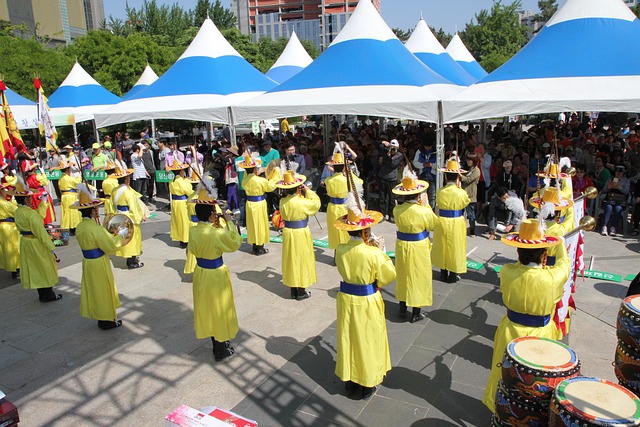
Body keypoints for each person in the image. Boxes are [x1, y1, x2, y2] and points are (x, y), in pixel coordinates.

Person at [483, 219, 570, 413]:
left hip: (510, 331)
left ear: (518, 251)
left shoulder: (507, 272)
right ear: (544, 253)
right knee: (538, 380)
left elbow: (519, 268)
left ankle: (500, 408)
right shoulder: (553, 277)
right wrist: (560, 244)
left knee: (504, 373)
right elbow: (564, 264)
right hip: (541, 335)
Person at [334, 194, 396, 399]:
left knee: (349, 337)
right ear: (365, 231)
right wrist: (381, 252)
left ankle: (350, 380)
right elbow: (388, 276)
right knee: (368, 339)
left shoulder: (340, 250)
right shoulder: (373, 253)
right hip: (367, 300)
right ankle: (367, 381)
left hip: (346, 298)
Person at [188, 173, 242, 361]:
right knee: (219, 308)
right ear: (212, 215)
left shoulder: (193, 231)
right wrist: (229, 222)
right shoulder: (216, 234)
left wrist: (216, 225)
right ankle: (220, 347)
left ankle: (217, 341)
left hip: (201, 272)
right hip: (215, 274)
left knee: (208, 308)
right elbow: (235, 242)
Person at [71, 183, 128, 330]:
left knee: (94, 290)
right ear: (92, 210)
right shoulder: (95, 228)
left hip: (88, 262)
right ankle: (106, 320)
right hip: (98, 263)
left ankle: (100, 316)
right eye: (96, 208)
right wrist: (120, 235)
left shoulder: (80, 227)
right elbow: (111, 245)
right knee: (102, 290)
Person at [392, 166, 437, 323]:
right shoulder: (423, 211)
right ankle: (416, 312)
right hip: (418, 246)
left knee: (403, 274)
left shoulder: (397, 210)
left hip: (401, 244)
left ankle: (402, 307)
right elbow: (432, 224)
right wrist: (426, 205)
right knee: (418, 276)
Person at [10, 177, 61, 302]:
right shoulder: (30, 213)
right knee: (44, 267)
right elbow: (40, 231)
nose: (31, 199)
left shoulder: (18, 211)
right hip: (36, 242)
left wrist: (43, 203)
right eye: (29, 197)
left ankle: (42, 293)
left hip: (26, 242)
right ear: (26, 199)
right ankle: (48, 294)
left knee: (35, 268)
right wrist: (51, 248)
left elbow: (37, 217)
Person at [277, 170, 320, 300]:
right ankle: (301, 291)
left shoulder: (283, 201)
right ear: (297, 188)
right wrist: (308, 191)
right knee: (302, 259)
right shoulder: (301, 202)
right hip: (300, 232)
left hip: (288, 231)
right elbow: (316, 204)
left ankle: (293, 289)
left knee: (291, 259)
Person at [432, 159, 470, 283]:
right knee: (455, 247)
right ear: (458, 177)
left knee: (442, 246)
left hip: (442, 220)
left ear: (446, 177)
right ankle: (453, 274)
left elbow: (438, 202)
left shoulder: (440, 191)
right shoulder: (461, 192)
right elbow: (465, 202)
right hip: (456, 221)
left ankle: (443, 272)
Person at [324, 150, 363, 252]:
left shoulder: (329, 180)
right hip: (345, 206)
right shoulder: (347, 179)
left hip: (332, 207)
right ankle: (346, 251)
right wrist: (350, 173)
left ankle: (336, 252)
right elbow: (359, 182)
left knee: (334, 230)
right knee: (345, 229)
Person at [109, 162, 145, 269]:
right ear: (126, 179)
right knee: (132, 238)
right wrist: (138, 218)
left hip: (119, 215)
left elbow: (111, 206)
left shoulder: (114, 191)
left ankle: (129, 258)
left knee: (123, 237)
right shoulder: (128, 193)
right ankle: (131, 261)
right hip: (128, 216)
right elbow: (134, 207)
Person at [241, 155, 277, 255]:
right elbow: (270, 187)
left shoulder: (244, 180)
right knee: (260, 224)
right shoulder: (260, 180)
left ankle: (254, 245)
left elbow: (246, 177)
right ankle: (260, 247)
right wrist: (276, 175)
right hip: (259, 204)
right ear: (254, 169)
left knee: (252, 224)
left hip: (249, 204)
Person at [168, 161, 194, 248]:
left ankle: (180, 239)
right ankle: (185, 239)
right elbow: (190, 192)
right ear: (181, 171)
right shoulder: (182, 182)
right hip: (182, 203)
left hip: (175, 203)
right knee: (184, 221)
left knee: (178, 221)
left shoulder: (171, 181)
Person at [377, 139, 403, 223]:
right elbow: (376, 144)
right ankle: (382, 214)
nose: (392, 150)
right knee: (382, 197)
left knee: (392, 198)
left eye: (394, 148)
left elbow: (392, 164)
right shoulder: (385, 151)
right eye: (391, 148)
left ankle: (391, 215)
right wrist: (383, 142)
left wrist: (388, 156)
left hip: (392, 179)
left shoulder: (399, 155)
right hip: (382, 177)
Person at [601, 165, 630, 236]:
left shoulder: (626, 181)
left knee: (618, 209)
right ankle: (604, 226)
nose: (618, 173)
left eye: (620, 172)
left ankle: (613, 227)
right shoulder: (610, 179)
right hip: (610, 199)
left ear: (623, 173)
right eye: (617, 171)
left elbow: (627, 192)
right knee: (608, 208)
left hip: (620, 201)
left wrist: (620, 187)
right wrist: (608, 187)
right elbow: (603, 191)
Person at [57, 160, 82, 235]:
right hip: (71, 196)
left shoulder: (60, 178)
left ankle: (68, 226)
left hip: (64, 196)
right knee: (73, 212)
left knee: (66, 212)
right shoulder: (68, 178)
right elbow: (77, 183)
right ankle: (73, 227)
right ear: (67, 169)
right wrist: (79, 176)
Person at [0, 183, 20, 279]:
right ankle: (16, 268)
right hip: (10, 227)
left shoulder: (5, 202)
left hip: (2, 227)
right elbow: (17, 212)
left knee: (6, 248)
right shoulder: (5, 203)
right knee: (14, 247)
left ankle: (12, 268)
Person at [460, 154, 480, 236]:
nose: (467, 161)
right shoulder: (469, 169)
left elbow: (468, 180)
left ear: (473, 161)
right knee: (461, 213)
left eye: (469, 160)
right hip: (464, 193)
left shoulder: (476, 170)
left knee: (470, 214)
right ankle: (460, 229)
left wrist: (460, 175)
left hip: (470, 195)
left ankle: (472, 230)